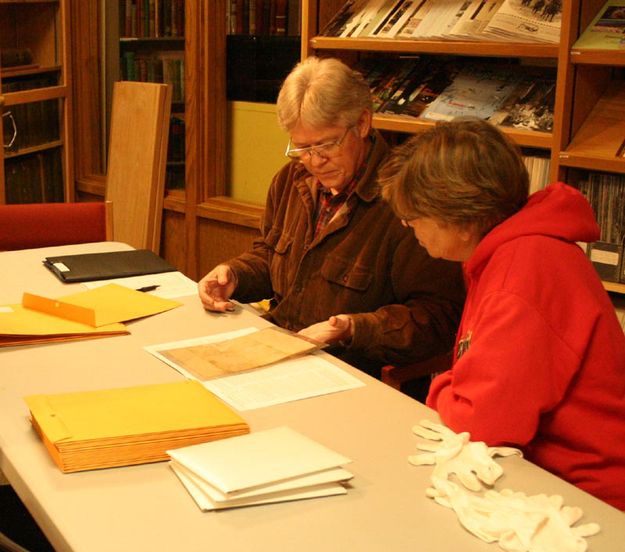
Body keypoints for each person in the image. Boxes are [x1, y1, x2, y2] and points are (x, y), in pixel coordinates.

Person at [380, 118, 625, 510]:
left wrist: (442, 386)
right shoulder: (511, 252)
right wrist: (458, 386)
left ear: (460, 216)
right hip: (545, 474)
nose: (409, 227)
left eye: (413, 217)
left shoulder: (521, 272)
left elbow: (482, 425)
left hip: (588, 497)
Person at [198, 56, 465, 376]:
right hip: (279, 354)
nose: (314, 161)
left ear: (363, 123)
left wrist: (354, 328)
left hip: (349, 371)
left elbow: (436, 319)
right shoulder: (290, 180)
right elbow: (270, 259)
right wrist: (233, 275)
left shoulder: (408, 200)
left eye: (326, 145)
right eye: (302, 148)